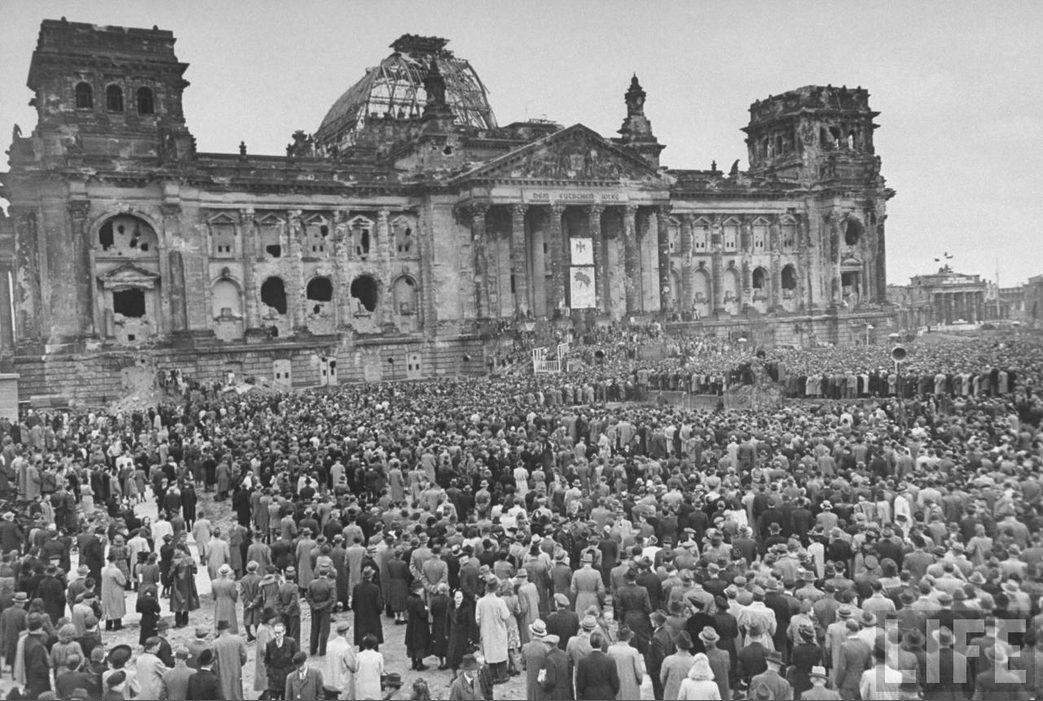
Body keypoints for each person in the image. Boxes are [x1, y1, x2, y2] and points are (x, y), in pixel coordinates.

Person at [476, 575, 511, 683]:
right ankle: (502, 675)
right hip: (498, 630)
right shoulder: (500, 601)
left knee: (489, 653)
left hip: (486, 631)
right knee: (500, 652)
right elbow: (505, 616)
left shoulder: (480, 602)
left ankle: (492, 676)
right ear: (496, 588)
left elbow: (477, 619)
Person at [575, 631, 619, 700]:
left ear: (590, 643)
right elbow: (615, 683)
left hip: (589, 695)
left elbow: (580, 684)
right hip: (607, 695)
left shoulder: (583, 661)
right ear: (602, 643)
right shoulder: (610, 660)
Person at [606, 624, 645, 700]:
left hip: (614, 683)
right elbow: (638, 672)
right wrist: (640, 680)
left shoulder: (610, 650)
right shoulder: (633, 651)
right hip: (630, 684)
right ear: (629, 638)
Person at [264, 620, 299, 701]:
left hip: (287, 678)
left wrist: (291, 672)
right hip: (274, 680)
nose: (277, 635)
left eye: (279, 633)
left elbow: (297, 660)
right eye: (275, 633)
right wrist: (270, 671)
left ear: (284, 632)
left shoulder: (291, 643)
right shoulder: (270, 644)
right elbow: (267, 661)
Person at [213, 619, 247, 700]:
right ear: (228, 628)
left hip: (222, 670)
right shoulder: (238, 639)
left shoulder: (215, 643)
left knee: (225, 690)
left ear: (219, 630)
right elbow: (244, 656)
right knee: (237, 689)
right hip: (235, 668)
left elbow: (214, 661)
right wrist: (239, 664)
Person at [307, 565, 337, 656]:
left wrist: (314, 605)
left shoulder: (312, 583)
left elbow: (308, 596)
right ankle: (322, 651)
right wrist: (323, 605)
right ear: (327, 574)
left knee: (314, 629)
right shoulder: (330, 584)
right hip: (325, 610)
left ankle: (312, 649)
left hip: (314, 610)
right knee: (324, 630)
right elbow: (332, 598)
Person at [325, 619, 358, 700]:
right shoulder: (346, 647)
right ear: (346, 632)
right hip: (343, 680)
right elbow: (353, 665)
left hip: (331, 679)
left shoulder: (329, 644)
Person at [352, 566, 383, 647]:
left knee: (362, 641)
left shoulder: (356, 588)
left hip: (361, 619)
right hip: (373, 618)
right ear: (371, 576)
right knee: (373, 642)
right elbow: (379, 606)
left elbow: (353, 605)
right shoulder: (375, 588)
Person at [355, 634, 385, 701]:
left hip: (362, 683)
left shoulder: (359, 655)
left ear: (364, 644)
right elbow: (381, 671)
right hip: (374, 683)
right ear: (374, 645)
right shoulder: (379, 656)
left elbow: (356, 668)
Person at [212, 564, 239, 634]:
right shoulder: (231, 582)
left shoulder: (214, 582)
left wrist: (216, 598)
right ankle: (231, 631)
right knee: (230, 617)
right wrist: (235, 599)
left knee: (219, 616)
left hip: (218, 600)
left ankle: (219, 631)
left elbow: (214, 595)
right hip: (229, 601)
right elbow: (233, 595)